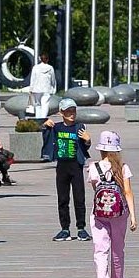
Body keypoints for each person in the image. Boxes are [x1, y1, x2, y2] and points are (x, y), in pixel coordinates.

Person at [87, 131, 137, 278]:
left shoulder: (94, 167)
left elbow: (95, 190)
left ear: (101, 150)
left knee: (100, 249)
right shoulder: (123, 168)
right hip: (119, 213)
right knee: (117, 248)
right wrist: (133, 217)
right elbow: (128, 192)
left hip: (99, 213)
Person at [42, 98, 92, 242]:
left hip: (76, 166)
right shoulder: (56, 127)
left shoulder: (79, 127)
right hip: (62, 167)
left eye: (73, 110)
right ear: (61, 112)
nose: (71, 114)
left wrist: (88, 140)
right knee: (63, 199)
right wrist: (45, 125)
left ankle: (81, 229)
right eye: (68, 111)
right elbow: (45, 137)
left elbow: (85, 146)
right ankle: (65, 229)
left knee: (79, 198)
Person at [28, 53, 57, 118]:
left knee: (37, 105)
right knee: (45, 104)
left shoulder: (35, 67)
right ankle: (43, 118)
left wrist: (31, 88)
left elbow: (32, 79)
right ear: (47, 59)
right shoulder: (50, 68)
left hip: (36, 89)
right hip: (46, 89)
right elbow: (53, 79)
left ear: (40, 59)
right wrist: (53, 89)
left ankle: (38, 118)